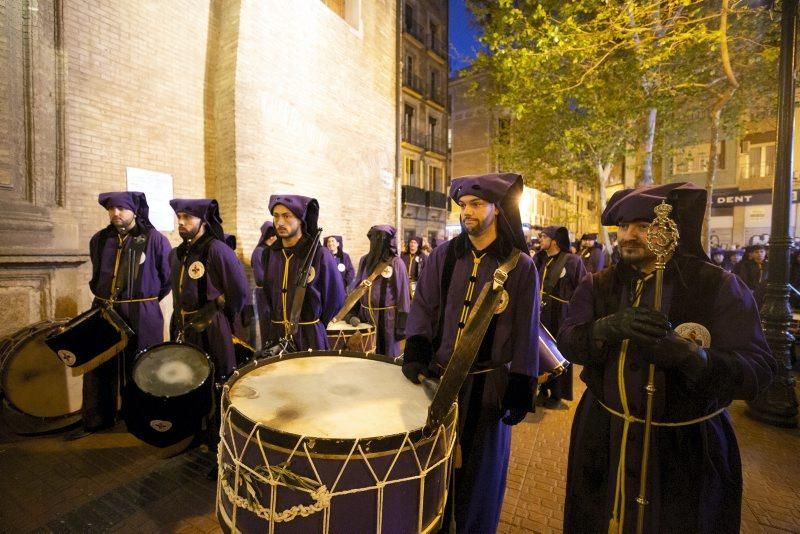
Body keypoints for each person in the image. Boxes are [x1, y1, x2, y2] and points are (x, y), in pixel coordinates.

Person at [558, 182, 775, 534]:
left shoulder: (719, 286)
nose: (628, 236)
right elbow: (568, 341)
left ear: (672, 230)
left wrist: (695, 358)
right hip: (604, 437)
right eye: (623, 227)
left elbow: (759, 369)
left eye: (643, 227)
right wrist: (603, 330)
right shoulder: (597, 285)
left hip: (685, 451)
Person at [403, 172, 539, 532]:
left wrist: (522, 383)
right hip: (439, 382)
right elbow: (423, 308)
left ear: (498, 208)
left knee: (481, 477)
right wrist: (416, 349)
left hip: (489, 388)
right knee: (432, 471)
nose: (467, 212)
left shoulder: (521, 267)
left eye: (476, 204)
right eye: (463, 205)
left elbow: (527, 329)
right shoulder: (443, 257)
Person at [69, 192, 172, 440]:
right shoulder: (100, 240)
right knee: (98, 365)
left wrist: (145, 300)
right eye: (111, 209)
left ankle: (141, 418)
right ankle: (97, 419)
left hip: (142, 310)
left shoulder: (154, 240)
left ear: (134, 211)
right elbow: (97, 275)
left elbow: (166, 278)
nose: (115, 213)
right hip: (104, 309)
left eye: (121, 209)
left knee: (142, 365)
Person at [169, 198, 248, 382]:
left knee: (215, 379)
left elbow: (238, 291)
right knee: (185, 380)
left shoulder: (218, 250)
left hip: (211, 326)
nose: (181, 222)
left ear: (203, 220)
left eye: (187, 217)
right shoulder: (176, 254)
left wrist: (224, 317)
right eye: (179, 217)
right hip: (182, 325)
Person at [262, 195, 345, 350]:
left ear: (301, 219)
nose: (280, 222)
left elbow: (336, 298)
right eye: (276, 216)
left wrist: (315, 323)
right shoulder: (270, 255)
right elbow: (267, 295)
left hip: (310, 336)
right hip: (277, 336)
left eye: (287, 216)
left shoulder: (320, 255)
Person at [534, 225, 586, 409]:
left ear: (554, 241)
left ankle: (557, 394)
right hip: (541, 314)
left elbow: (582, 288)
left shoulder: (572, 261)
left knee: (559, 351)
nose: (540, 239)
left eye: (543, 237)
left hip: (560, 315)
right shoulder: (539, 259)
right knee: (541, 352)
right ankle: (542, 389)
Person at [353, 225, 410, 357]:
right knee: (367, 354)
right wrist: (352, 313)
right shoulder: (364, 261)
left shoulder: (396, 263)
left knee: (387, 356)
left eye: (380, 238)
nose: (377, 242)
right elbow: (357, 288)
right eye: (374, 238)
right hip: (365, 317)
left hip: (388, 319)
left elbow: (403, 295)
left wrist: (402, 325)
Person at [251, 221, 277, 345]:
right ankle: (267, 349)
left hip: (273, 292)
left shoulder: (271, 250)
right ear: (271, 236)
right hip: (264, 293)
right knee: (266, 322)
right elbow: (260, 277)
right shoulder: (259, 252)